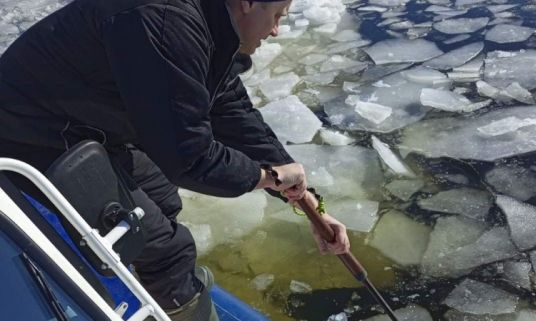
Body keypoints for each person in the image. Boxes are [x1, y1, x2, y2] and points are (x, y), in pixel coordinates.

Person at [0, 0, 351, 320]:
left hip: (90, 128)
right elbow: (189, 158)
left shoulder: (209, 22)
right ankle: (178, 303)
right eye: (276, 16)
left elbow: (231, 110)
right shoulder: (166, 23)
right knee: (168, 252)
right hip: (34, 136)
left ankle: (161, 290)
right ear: (246, 3)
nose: (276, 30)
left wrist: (310, 203)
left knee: (164, 200)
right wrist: (268, 176)